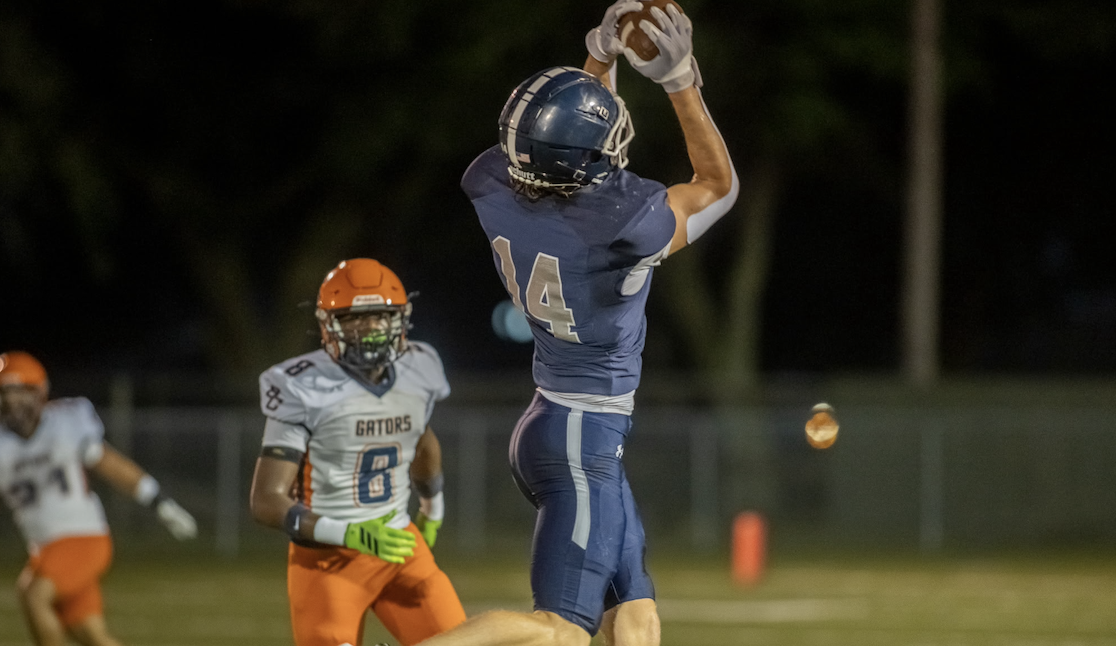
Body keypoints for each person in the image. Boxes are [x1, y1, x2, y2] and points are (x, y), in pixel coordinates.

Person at [421, 3, 738, 646]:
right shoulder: (624, 226)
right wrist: (681, 82)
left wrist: (599, 56)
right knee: (560, 630)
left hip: (558, 421)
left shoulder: (491, 184)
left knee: (638, 615)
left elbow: (565, 152)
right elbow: (717, 185)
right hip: (579, 437)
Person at [249, 258, 467, 646]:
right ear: (328, 325)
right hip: (327, 558)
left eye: (380, 316)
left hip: (399, 544)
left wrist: (433, 508)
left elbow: (421, 439)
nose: (369, 328)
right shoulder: (303, 385)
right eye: (354, 319)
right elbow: (266, 500)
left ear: (400, 319)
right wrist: (348, 533)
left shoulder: (420, 368)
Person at [0, 351, 198, 646]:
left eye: (18, 392)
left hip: (83, 540)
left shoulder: (65, 422)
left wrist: (159, 501)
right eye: (4, 394)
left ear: (39, 392)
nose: (10, 402)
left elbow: (110, 465)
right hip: (43, 549)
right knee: (93, 637)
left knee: (33, 595)